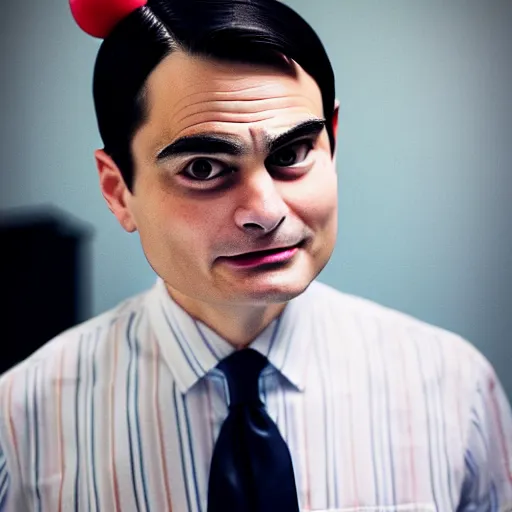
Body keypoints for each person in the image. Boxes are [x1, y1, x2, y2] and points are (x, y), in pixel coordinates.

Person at [0, 0, 511, 510]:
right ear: (117, 191)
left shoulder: (456, 390)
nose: (265, 213)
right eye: (202, 168)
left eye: (291, 155)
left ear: (333, 144)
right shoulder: (20, 426)